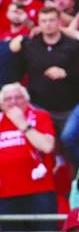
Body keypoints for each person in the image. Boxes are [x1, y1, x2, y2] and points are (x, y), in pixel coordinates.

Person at [9, 5, 79, 132]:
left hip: (66, 107)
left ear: (59, 22)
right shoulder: (30, 44)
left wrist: (65, 73)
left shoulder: (73, 45)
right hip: (37, 106)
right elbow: (17, 66)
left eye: (52, 20)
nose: (48, 24)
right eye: (44, 21)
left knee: (66, 143)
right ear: (39, 23)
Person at [0, 83, 57, 224]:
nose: (13, 102)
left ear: (27, 100)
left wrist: (22, 124)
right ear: (1, 104)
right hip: (6, 193)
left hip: (39, 190)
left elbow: (47, 147)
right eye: (8, 99)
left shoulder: (41, 116)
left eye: (18, 97)